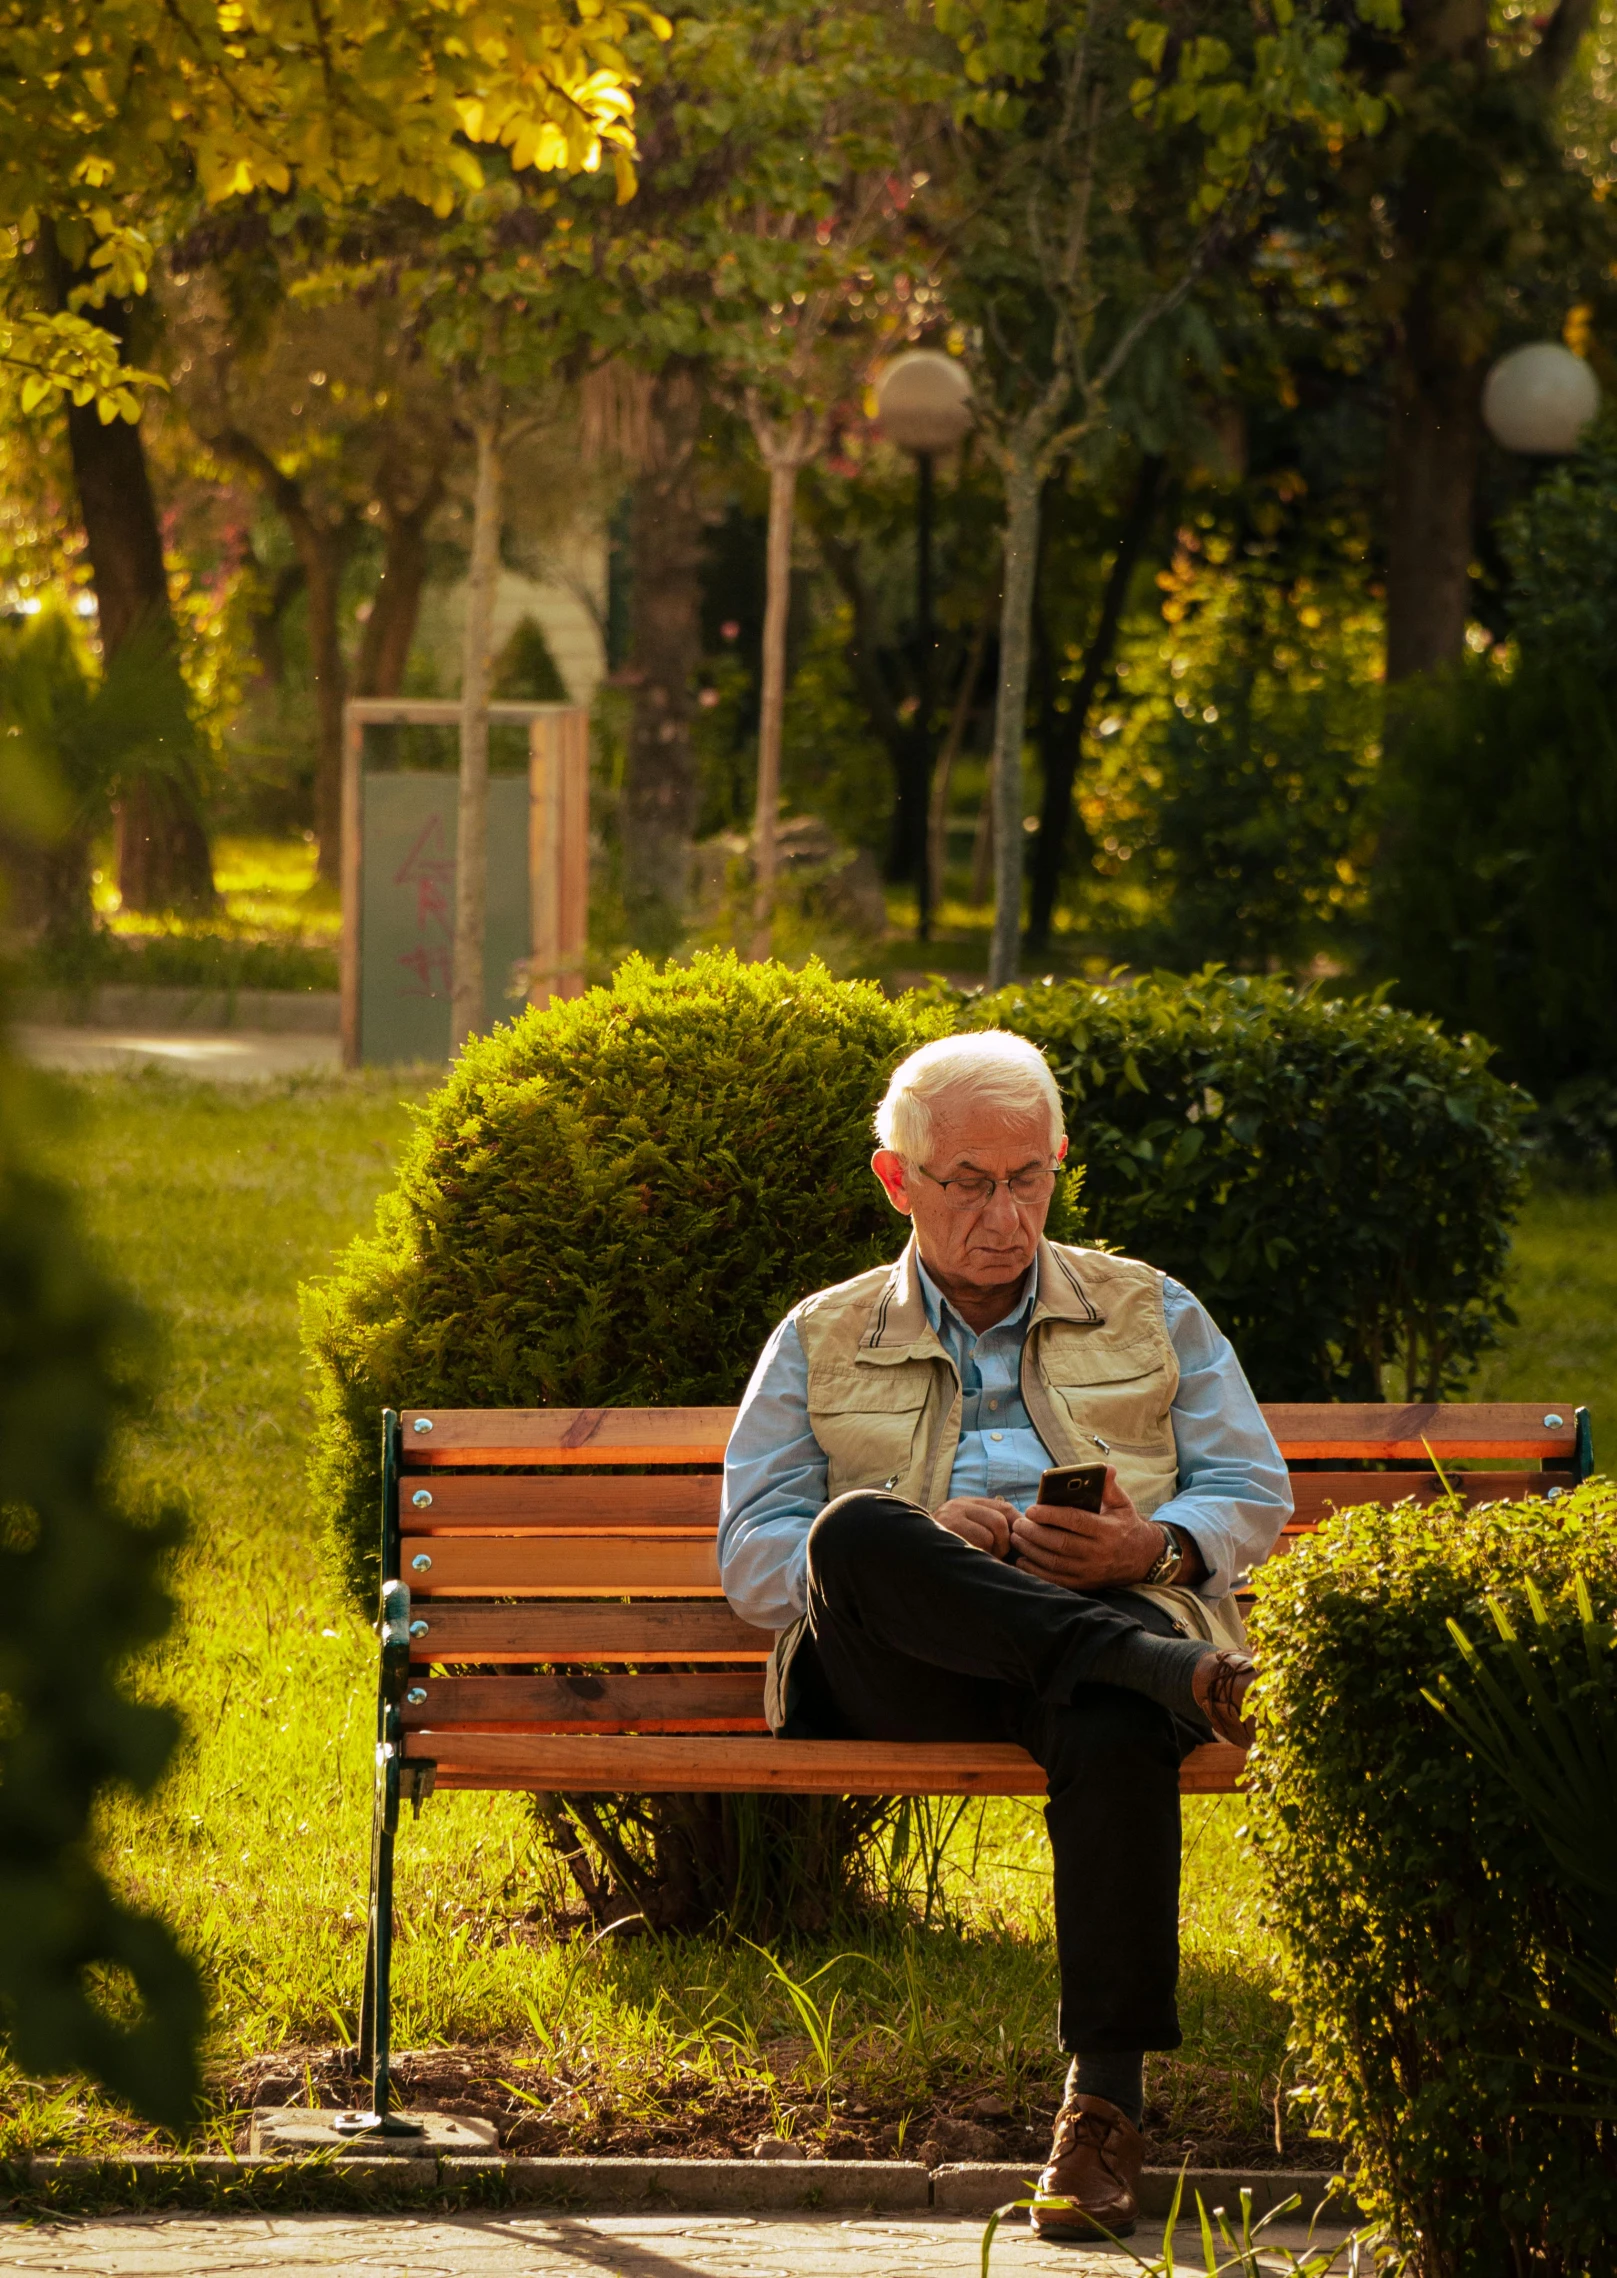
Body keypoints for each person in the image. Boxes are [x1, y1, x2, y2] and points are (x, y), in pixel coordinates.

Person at [717, 1031, 1291, 2240]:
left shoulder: (1150, 1308)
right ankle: (1165, 1668)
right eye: (969, 1181)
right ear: (898, 1180)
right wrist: (932, 1544)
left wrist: (1159, 1550)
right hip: (895, 1667)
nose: (1004, 1211)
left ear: (1059, 1164)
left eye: (1028, 1177)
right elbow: (756, 1557)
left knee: (1108, 1698)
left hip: (1092, 1630)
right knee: (856, 1529)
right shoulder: (821, 1332)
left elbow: (1249, 1486)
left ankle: (1104, 2113)